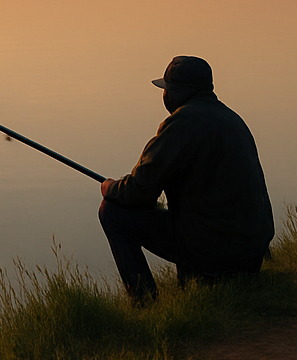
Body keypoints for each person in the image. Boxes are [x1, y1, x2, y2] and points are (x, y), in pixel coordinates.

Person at [98, 55, 274, 305]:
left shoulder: (181, 124)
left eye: (166, 89)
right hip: (252, 252)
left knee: (112, 211)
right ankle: (198, 278)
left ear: (175, 93)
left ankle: (144, 303)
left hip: (218, 252)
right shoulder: (233, 120)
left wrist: (110, 187)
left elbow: (139, 191)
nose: (164, 96)